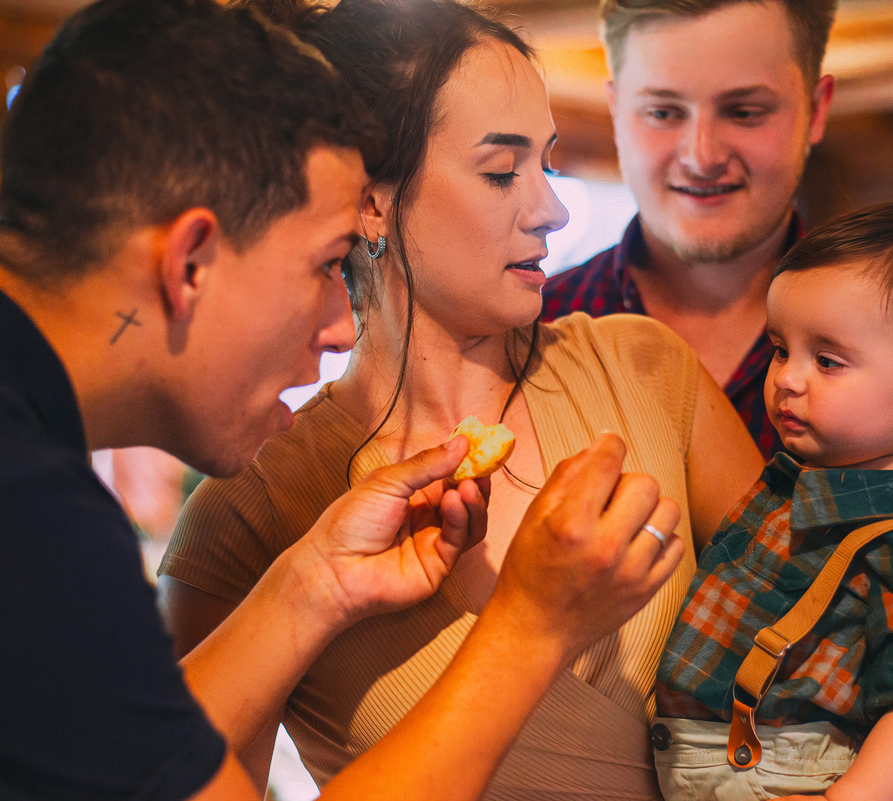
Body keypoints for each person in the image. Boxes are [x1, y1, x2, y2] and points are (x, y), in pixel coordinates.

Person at [0, 0, 693, 798]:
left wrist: (313, 585)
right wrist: (531, 627)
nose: (338, 325)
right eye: (326, 266)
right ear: (190, 262)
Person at [156, 0, 764, 797]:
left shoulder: (646, 369)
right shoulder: (255, 514)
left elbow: (817, 626)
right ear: (369, 199)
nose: (552, 209)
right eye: (501, 170)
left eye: (546, 164)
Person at [540, 1, 893, 796]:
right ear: (613, 108)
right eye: (661, 111)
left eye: (745, 110)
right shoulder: (540, 332)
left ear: (816, 109)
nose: (700, 152)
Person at [651, 203, 893, 800]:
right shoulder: (804, 485)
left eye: (827, 361)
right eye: (780, 349)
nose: (788, 379)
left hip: (787, 775)